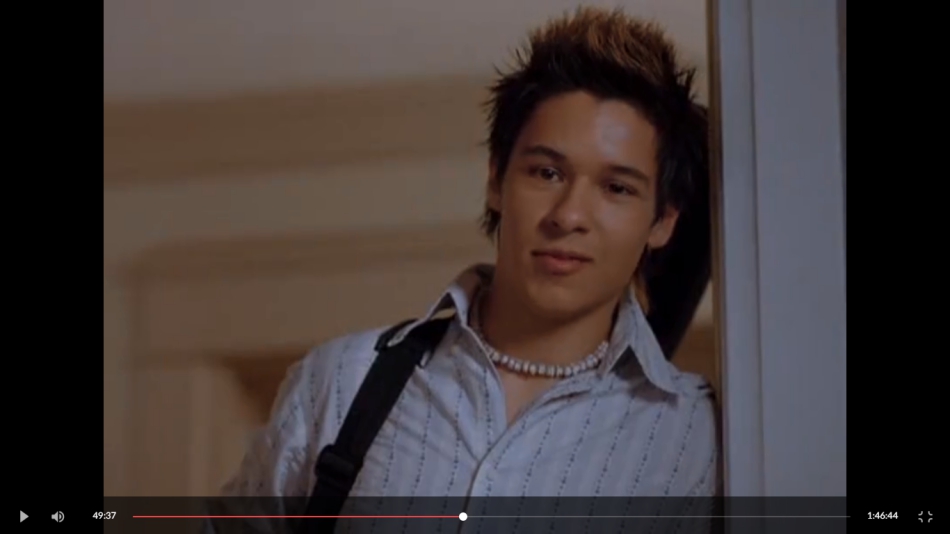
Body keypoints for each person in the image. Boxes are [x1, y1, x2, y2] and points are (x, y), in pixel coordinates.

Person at [220, 6, 717, 529]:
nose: (569, 215)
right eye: (546, 173)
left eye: (616, 188)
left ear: (663, 220)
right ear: (496, 180)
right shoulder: (342, 383)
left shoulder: (697, 440)